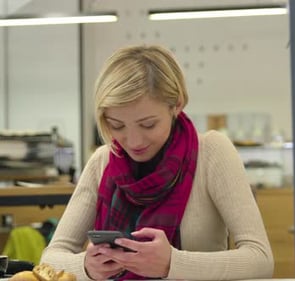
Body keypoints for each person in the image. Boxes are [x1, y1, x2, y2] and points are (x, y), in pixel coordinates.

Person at [40, 45, 274, 280]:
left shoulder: (212, 153)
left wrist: (172, 263)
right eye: (117, 126)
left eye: (148, 124)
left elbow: (260, 259)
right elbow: (51, 258)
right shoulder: (103, 161)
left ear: (177, 104)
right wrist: (87, 267)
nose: (133, 141)